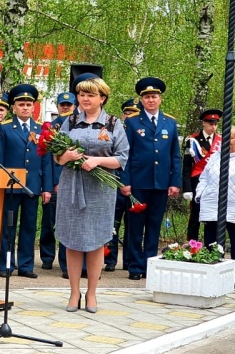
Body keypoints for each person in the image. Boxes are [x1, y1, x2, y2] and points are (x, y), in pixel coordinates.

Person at [54, 77, 128, 313]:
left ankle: (92, 293)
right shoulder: (70, 121)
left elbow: (122, 158)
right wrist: (66, 157)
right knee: (73, 240)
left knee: (96, 241)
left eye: (90, 95)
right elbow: (57, 155)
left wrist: (97, 160)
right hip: (71, 186)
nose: (84, 99)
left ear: (102, 98)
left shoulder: (114, 123)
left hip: (100, 189)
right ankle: (74, 292)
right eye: (81, 94)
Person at [121, 77, 182, 281]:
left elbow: (175, 155)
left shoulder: (170, 123)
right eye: (147, 97)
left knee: (154, 226)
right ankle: (135, 267)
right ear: (141, 100)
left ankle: (150, 265)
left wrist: (175, 182)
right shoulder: (132, 122)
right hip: (138, 182)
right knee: (136, 226)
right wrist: (125, 181)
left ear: (160, 99)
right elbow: (126, 155)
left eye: (154, 96)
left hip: (161, 183)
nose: (151, 100)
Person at [0, 84, 52, 278]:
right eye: (21, 104)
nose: (25, 107)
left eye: (29, 104)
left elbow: (46, 161)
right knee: (9, 227)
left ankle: (26, 266)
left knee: (28, 227)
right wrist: (0, 184)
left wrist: (47, 188)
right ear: (14, 107)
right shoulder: (6, 129)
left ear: (34, 107)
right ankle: (7, 264)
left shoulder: (41, 129)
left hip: (33, 186)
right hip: (11, 187)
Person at [104, 98, 141, 272]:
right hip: (114, 183)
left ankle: (129, 260)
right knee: (114, 223)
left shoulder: (141, 133)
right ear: (122, 115)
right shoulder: (115, 131)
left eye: (133, 114)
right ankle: (110, 259)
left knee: (133, 225)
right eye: (127, 113)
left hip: (134, 184)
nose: (129, 116)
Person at [41, 92, 75, 272]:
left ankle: (65, 263)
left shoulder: (79, 126)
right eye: (63, 105)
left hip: (73, 183)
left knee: (68, 225)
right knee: (48, 223)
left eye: (69, 105)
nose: (66, 108)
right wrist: (52, 184)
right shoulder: (51, 127)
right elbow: (47, 160)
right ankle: (47, 257)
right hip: (55, 183)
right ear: (57, 106)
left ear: (75, 107)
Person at [182, 109, 222, 242]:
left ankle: (211, 245)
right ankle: (191, 245)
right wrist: (187, 188)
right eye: (210, 123)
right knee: (196, 215)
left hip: (215, 182)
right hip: (197, 181)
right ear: (204, 123)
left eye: (215, 123)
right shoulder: (193, 140)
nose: (213, 127)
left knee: (212, 215)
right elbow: (187, 166)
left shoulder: (221, 140)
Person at [195, 126, 235, 254]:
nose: (228, 141)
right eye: (225, 138)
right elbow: (204, 178)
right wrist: (200, 194)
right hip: (211, 205)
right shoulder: (214, 157)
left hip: (232, 206)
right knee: (211, 244)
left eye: (231, 138)